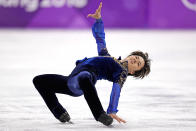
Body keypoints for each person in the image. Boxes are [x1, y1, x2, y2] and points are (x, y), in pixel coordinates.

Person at [32, 2, 151, 126]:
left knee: (84, 76)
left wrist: (112, 110)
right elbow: (100, 39)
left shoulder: (122, 72)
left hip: (86, 78)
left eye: (138, 64)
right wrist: (99, 20)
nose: (135, 60)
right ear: (131, 55)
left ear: (133, 72)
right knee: (39, 81)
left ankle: (99, 114)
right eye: (136, 57)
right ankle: (60, 113)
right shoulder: (107, 56)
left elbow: (117, 89)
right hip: (71, 82)